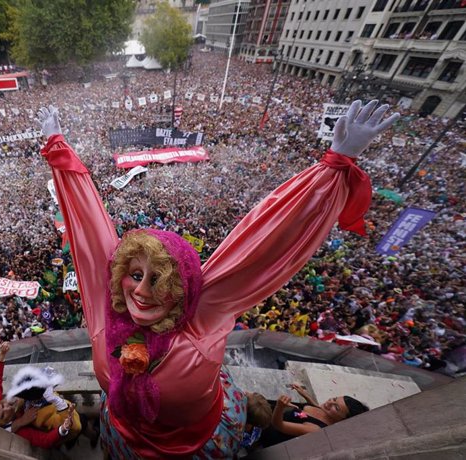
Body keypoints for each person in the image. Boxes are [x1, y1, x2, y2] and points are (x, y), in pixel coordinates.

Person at [36, 99, 398, 459]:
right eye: (135, 274)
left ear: (183, 288)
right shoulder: (107, 307)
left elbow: (267, 239)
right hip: (125, 440)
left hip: (198, 447)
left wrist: (335, 166)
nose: (142, 291)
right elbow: (90, 230)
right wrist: (58, 147)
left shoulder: (202, 315)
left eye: (159, 278)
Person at [261, 383, 369, 447]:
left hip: (267, 431)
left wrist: (279, 407)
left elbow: (278, 425)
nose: (329, 402)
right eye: (334, 398)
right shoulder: (325, 411)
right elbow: (316, 406)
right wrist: (304, 394)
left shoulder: (315, 429)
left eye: (336, 407)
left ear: (341, 420)